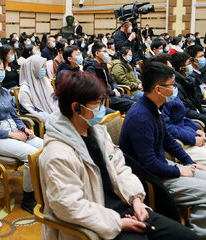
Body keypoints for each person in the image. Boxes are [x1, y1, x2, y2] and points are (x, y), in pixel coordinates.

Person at [39, 70, 198, 240]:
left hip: (125, 207)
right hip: (98, 223)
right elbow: (68, 205)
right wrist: (117, 222)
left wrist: (136, 199)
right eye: (97, 104)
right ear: (76, 107)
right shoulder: (57, 154)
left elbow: (120, 168)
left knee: (187, 237)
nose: (102, 109)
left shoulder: (98, 133)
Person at [119, 61, 206, 239]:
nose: (175, 88)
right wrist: (178, 170)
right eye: (172, 85)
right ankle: (196, 235)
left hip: (162, 167)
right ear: (158, 89)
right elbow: (148, 164)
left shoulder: (153, 107)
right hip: (152, 178)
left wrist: (190, 163)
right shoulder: (141, 116)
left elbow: (167, 139)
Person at [0, 56, 43, 214]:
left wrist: (24, 129)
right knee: (32, 155)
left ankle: (41, 188)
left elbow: (15, 115)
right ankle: (28, 197)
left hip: (14, 131)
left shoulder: (4, 91)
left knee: (44, 146)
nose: (2, 72)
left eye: (2, 68)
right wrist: (10, 134)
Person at [84, 41, 135, 113]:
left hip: (111, 93)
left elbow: (111, 80)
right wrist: (113, 93)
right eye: (104, 51)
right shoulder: (90, 68)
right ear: (97, 53)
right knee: (133, 105)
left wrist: (115, 88)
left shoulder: (103, 65)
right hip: (104, 97)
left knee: (136, 100)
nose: (107, 54)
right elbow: (96, 87)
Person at [162, 95, 206, 165]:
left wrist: (197, 129)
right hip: (180, 144)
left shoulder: (173, 95)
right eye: (171, 84)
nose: (173, 87)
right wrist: (193, 139)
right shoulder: (159, 101)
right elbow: (167, 128)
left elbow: (181, 117)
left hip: (189, 136)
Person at [18, 55, 57, 121]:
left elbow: (53, 100)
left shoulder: (45, 80)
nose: (44, 69)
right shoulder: (25, 89)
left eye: (44, 66)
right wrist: (50, 118)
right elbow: (30, 110)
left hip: (53, 114)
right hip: (40, 120)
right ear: (33, 69)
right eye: (41, 67)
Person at [171, 52, 206, 124]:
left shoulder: (188, 81)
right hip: (194, 121)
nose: (191, 66)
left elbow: (197, 105)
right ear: (181, 69)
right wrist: (203, 117)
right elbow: (187, 111)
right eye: (188, 64)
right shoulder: (177, 87)